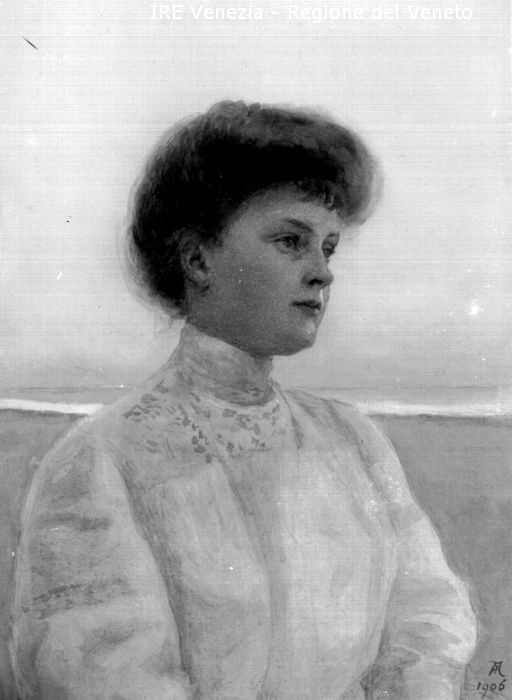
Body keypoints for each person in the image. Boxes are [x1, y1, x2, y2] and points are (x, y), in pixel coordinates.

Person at [10, 101, 477, 700]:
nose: (322, 272)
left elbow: (429, 624)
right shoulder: (100, 462)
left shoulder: (353, 441)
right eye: (291, 241)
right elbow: (106, 679)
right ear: (198, 259)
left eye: (328, 248)